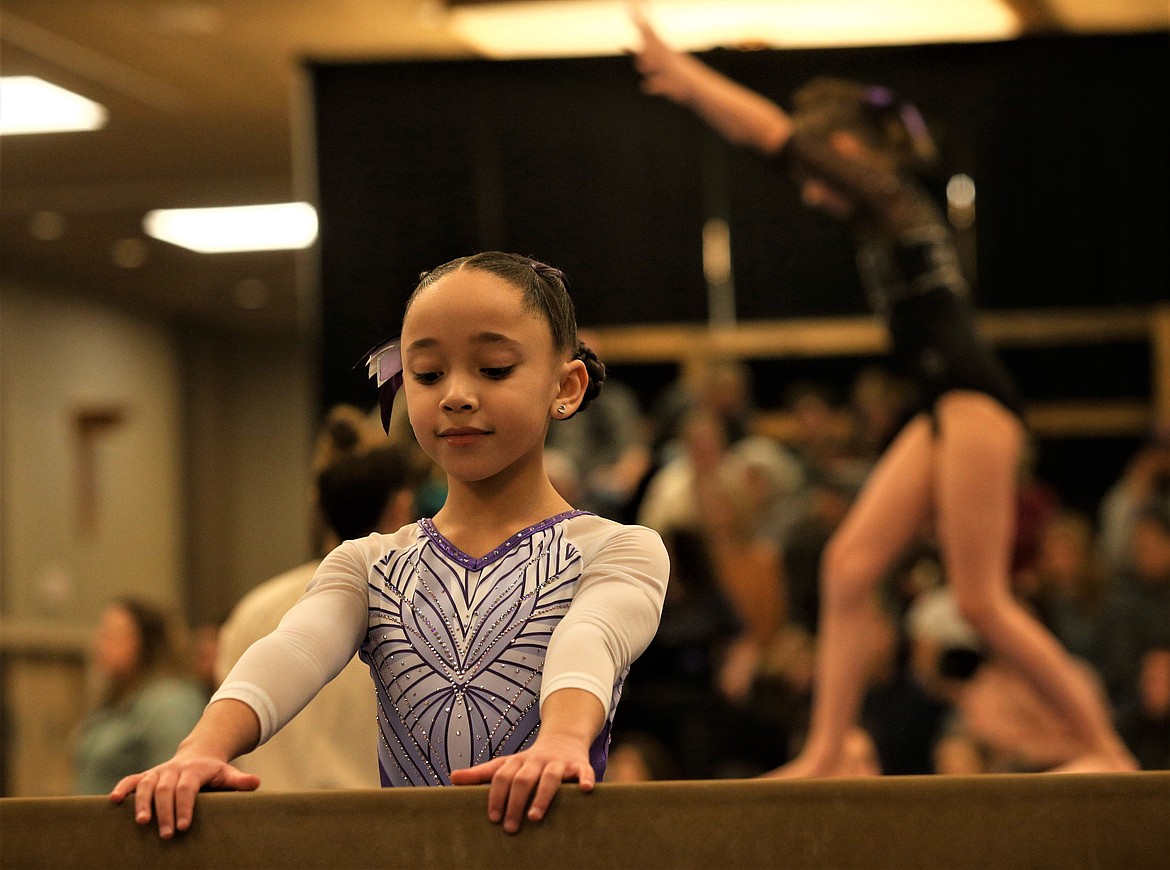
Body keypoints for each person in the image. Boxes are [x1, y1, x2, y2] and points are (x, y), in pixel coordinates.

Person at [631, 10, 1135, 776]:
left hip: (974, 402)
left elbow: (766, 134)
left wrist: (686, 75)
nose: (806, 194)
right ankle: (832, 747)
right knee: (847, 567)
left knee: (981, 601)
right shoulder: (885, 216)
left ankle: (1105, 748)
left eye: (814, 173)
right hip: (944, 409)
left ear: (843, 153)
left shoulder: (889, 199)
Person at [110, 251, 669, 836]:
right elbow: (295, 649)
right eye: (428, 375)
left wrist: (560, 740)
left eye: (494, 368)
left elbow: (591, 638)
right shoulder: (370, 563)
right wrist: (202, 748)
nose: (456, 394)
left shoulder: (618, 550)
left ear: (567, 386)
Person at [214, 415, 418, 791]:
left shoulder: (254, 609)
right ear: (401, 508)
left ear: (319, 510)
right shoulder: (415, 612)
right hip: (376, 825)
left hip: (266, 818)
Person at [73, 598, 207, 794]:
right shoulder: (117, 699)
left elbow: (174, 783)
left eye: (112, 635)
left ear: (145, 642)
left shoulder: (169, 701)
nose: (99, 644)